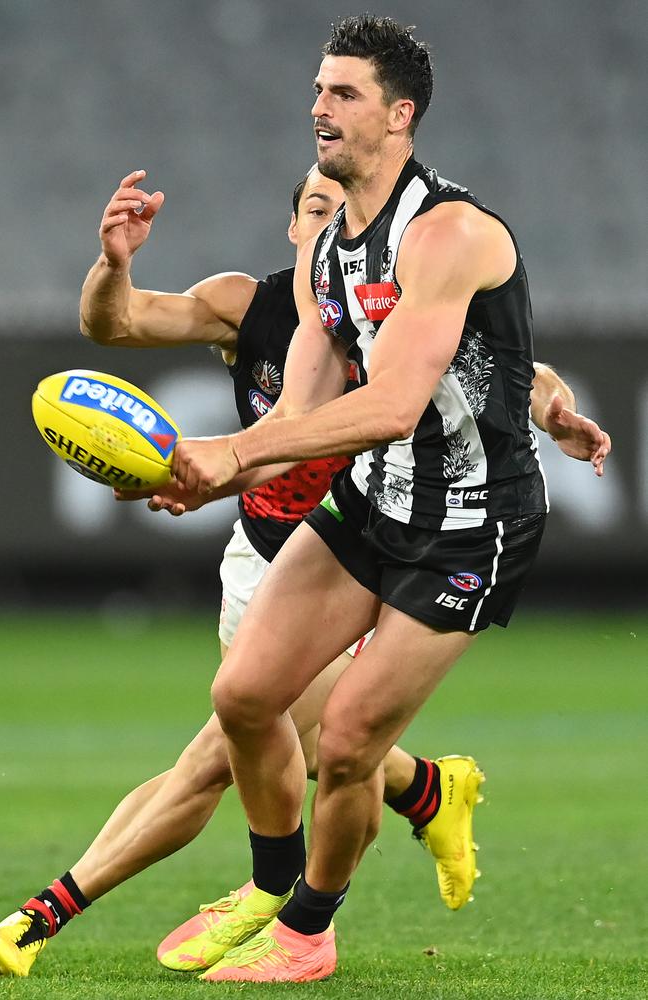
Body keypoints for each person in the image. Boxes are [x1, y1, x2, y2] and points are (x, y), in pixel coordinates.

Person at [152, 15, 611, 983]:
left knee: (352, 737)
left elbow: (391, 403)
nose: (318, 106)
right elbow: (304, 411)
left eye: (344, 92)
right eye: (318, 89)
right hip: (374, 501)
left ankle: (305, 935)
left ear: (399, 116)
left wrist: (227, 450)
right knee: (241, 694)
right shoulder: (330, 253)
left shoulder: (445, 233)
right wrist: (203, 478)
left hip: (468, 524)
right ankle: (271, 884)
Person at [0, 167, 487, 980]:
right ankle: (429, 791)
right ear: (297, 231)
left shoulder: (397, 319)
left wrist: (550, 404)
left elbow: (503, 373)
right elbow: (114, 325)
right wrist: (114, 266)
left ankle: (41, 917)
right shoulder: (246, 306)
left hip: (357, 569)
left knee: (224, 754)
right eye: (320, 211)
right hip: (260, 568)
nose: (339, 226)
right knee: (326, 753)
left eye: (351, 214)